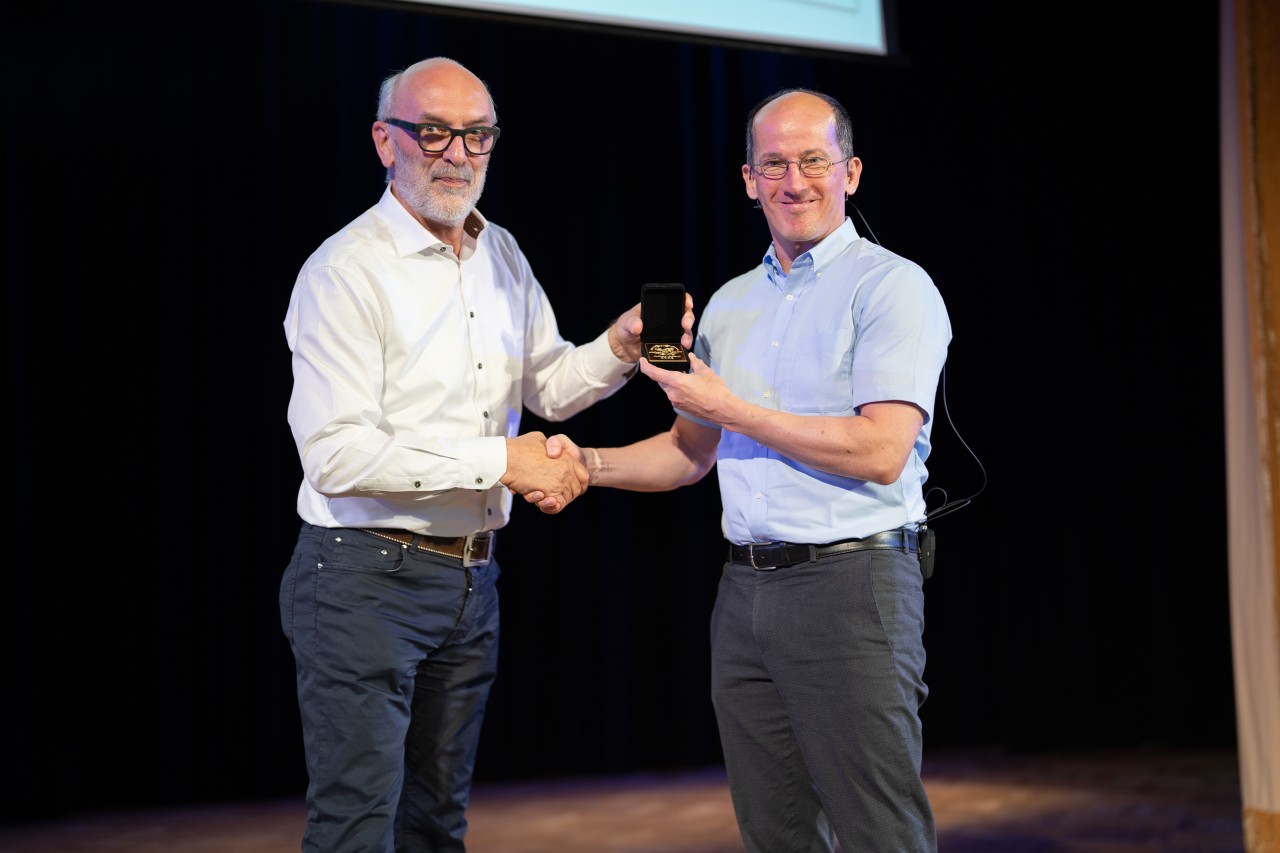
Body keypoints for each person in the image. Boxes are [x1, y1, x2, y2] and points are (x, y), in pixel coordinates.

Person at [278, 56, 692, 852]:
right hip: (364, 575)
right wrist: (500, 460)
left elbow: (552, 387)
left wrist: (619, 342)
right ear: (383, 141)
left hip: (470, 579)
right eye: (432, 131)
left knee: (438, 823)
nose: (456, 153)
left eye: (477, 135)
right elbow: (337, 455)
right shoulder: (344, 272)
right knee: (357, 824)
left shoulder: (498, 251)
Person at [543, 88, 951, 851]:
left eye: (812, 161)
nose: (794, 181)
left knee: (878, 831)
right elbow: (690, 451)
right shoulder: (730, 305)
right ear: (747, 179)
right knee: (776, 832)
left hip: (852, 587)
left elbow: (881, 448)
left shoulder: (893, 286)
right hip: (746, 596)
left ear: (851, 172)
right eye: (773, 164)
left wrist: (731, 409)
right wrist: (584, 463)